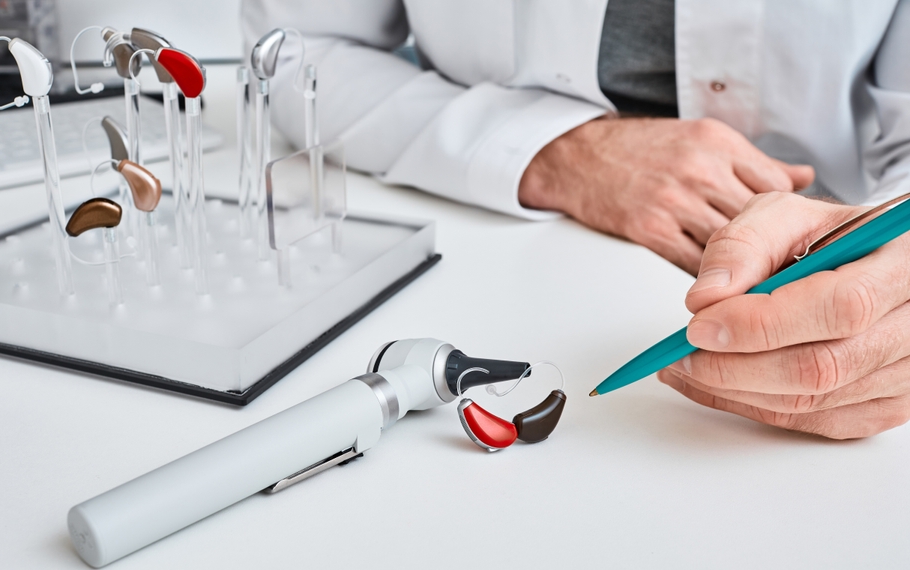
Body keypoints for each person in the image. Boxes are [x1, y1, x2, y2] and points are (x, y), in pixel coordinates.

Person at [242, 1, 910, 438]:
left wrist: (893, 270)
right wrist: (555, 151)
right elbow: (298, 52)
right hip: (498, 231)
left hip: (839, 252)